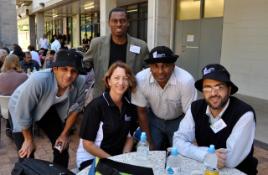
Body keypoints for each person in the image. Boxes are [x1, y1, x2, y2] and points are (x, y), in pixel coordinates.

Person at [173, 64, 258, 175]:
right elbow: (177, 141)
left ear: (229, 89)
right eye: (208, 87)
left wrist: (192, 151)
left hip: (237, 171)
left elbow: (229, 160)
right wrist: (206, 155)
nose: (213, 93)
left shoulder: (244, 114)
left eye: (220, 87)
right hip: (207, 168)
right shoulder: (196, 107)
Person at [8, 50, 87, 168]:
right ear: (55, 69)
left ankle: (58, 171)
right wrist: (28, 139)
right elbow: (23, 111)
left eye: (74, 71)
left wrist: (64, 134)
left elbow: (76, 109)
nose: (69, 75)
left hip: (48, 107)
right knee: (26, 153)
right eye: (64, 69)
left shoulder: (80, 82)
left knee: (61, 147)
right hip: (19, 108)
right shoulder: (39, 80)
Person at [131, 46, 197, 150]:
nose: (160, 71)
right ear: (149, 67)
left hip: (179, 120)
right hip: (154, 119)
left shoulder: (186, 81)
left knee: (180, 152)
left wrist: (189, 141)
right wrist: (149, 142)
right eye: (155, 66)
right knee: (150, 151)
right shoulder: (140, 79)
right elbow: (141, 111)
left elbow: (189, 114)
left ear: (173, 66)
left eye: (165, 65)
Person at [76, 62, 137, 170]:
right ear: (109, 81)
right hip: (91, 158)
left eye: (125, 78)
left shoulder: (129, 106)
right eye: (116, 78)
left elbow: (129, 137)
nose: (121, 82)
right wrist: (113, 162)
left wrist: (124, 157)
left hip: (115, 158)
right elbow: (87, 144)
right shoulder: (96, 106)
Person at [83, 7, 149, 98]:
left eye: (122, 21)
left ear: (128, 23)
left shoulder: (141, 46)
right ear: (109, 23)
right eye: (115, 21)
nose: (119, 24)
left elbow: (150, 70)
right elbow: (85, 64)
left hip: (130, 98)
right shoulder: (97, 44)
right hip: (102, 98)